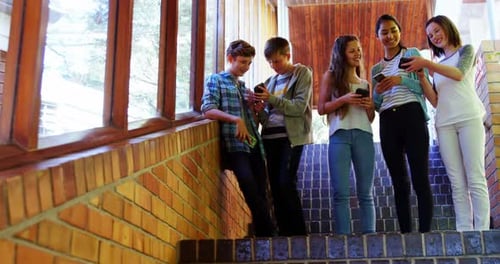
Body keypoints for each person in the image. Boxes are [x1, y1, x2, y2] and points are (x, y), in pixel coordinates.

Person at [402, 15, 491, 231]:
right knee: (456, 182)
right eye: (430, 36)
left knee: (475, 177)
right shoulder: (437, 67)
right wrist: (423, 76)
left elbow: (459, 74)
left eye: (436, 31)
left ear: (447, 27)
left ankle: (481, 232)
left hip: (469, 118)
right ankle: (464, 231)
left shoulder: (465, 51)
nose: (434, 37)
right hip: (444, 124)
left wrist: (426, 63)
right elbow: (435, 100)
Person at [200, 39, 276, 237]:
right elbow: (207, 110)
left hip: (253, 144)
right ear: (230, 58)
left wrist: (255, 109)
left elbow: (258, 120)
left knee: (262, 191)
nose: (246, 67)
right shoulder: (215, 80)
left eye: (249, 63)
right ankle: (270, 234)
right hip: (235, 145)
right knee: (249, 186)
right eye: (242, 62)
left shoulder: (243, 87)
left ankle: (263, 236)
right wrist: (235, 119)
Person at [371, 14, 434, 233]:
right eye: (384, 32)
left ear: (400, 31)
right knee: (398, 180)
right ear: (377, 36)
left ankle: (425, 232)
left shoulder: (412, 54)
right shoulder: (376, 69)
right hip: (388, 119)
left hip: (412, 114)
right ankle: (406, 233)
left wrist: (401, 80)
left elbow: (422, 88)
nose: (390, 35)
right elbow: (377, 105)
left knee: (420, 175)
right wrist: (378, 93)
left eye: (393, 30)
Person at [253, 37, 312, 236]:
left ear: (288, 55)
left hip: (291, 137)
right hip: (269, 137)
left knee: (286, 181)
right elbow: (265, 118)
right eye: (269, 62)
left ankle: (299, 235)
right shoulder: (270, 82)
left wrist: (270, 98)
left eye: (277, 61)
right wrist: (260, 108)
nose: (273, 66)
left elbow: (298, 107)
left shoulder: (302, 73)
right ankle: (285, 236)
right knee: (275, 187)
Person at [317, 35, 376, 235]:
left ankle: (371, 235)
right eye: (352, 50)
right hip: (339, 135)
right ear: (341, 54)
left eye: (358, 50)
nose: (357, 53)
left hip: (364, 135)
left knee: (366, 193)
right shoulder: (331, 76)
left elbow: (370, 118)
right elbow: (321, 108)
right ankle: (344, 237)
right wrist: (344, 99)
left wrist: (370, 106)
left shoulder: (365, 83)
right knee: (341, 192)